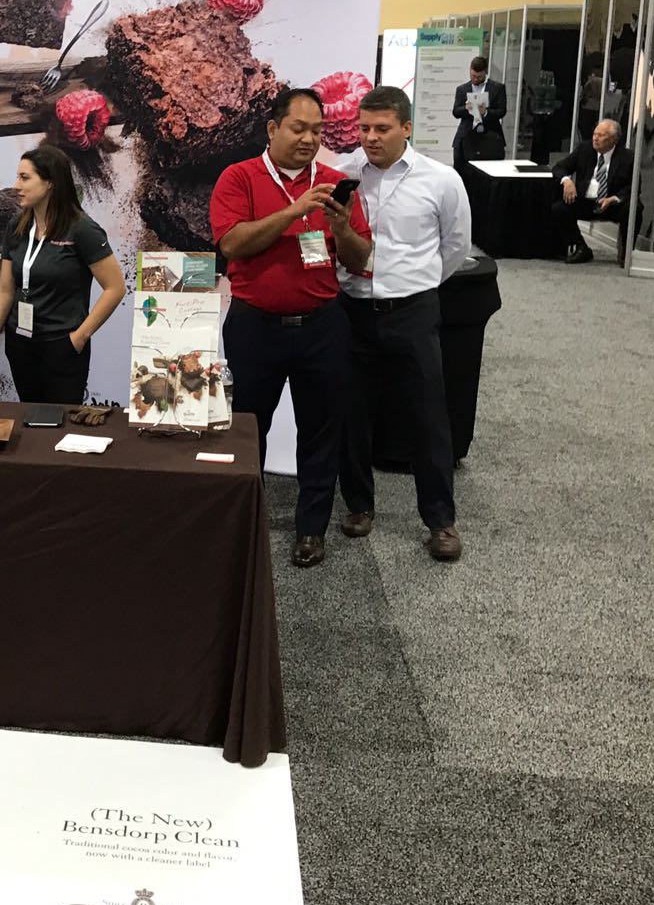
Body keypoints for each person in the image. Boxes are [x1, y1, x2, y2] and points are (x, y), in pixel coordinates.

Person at [210, 88, 372, 568]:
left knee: (320, 431)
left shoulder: (335, 182)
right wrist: (294, 210)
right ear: (272, 128)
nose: (309, 139)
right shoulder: (239, 177)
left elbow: (361, 257)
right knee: (248, 428)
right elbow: (232, 243)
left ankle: (310, 530)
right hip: (254, 327)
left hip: (323, 326)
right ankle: (245, 523)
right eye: (298, 129)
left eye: (316, 131)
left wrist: (341, 228)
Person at [335, 86, 472, 563]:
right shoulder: (344, 175)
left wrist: (417, 282)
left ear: (406, 128)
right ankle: (358, 504)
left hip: (413, 309)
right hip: (354, 309)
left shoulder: (441, 180)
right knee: (353, 413)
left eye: (382, 128)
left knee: (428, 417)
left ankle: (440, 519)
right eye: (364, 128)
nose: (370, 137)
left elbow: (455, 246)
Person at [0, 145, 125, 404]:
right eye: (17, 177)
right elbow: (6, 289)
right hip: (20, 343)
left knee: (60, 422)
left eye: (25, 178)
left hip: (62, 344)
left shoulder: (82, 230)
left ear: (50, 183)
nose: (16, 186)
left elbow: (115, 288)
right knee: (31, 418)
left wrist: (79, 337)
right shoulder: (17, 226)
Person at [551, 118, 633, 266]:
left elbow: (633, 187)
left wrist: (613, 199)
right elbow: (559, 167)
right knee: (559, 208)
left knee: (634, 209)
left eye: (601, 135)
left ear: (614, 139)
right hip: (587, 200)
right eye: (595, 134)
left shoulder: (627, 157)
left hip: (612, 204)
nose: (595, 138)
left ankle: (626, 253)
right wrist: (567, 180)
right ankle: (581, 247)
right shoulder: (584, 149)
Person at [452, 55, 507, 171]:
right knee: (462, 171)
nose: (475, 79)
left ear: (485, 72)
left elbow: (502, 111)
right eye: (473, 76)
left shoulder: (498, 88)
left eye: (479, 77)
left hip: (490, 137)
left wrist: (485, 112)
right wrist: (466, 108)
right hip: (466, 137)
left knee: (489, 173)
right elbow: (456, 112)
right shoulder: (462, 89)